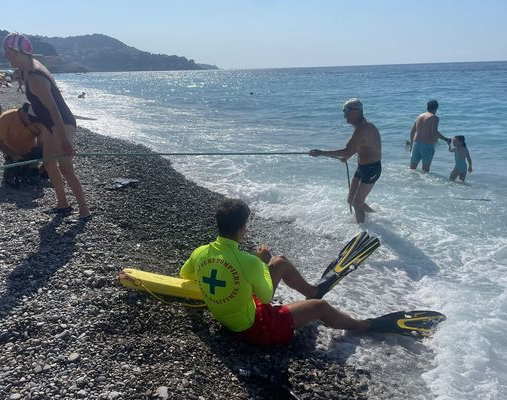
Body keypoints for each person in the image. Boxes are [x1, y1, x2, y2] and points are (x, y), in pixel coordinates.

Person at [180, 198, 406, 347]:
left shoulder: (200, 252)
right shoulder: (248, 262)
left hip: (236, 313)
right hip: (254, 329)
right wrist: (262, 263)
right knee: (320, 308)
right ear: (241, 229)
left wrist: (231, 280)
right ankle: (365, 325)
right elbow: (267, 298)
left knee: (280, 262)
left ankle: (313, 290)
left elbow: (185, 275)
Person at [3, 32, 90, 219]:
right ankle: (63, 204)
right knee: (50, 164)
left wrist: (65, 141)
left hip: (62, 123)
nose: (5, 56)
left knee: (66, 168)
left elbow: (54, 110)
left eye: (7, 52)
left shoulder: (35, 76)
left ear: (18, 52)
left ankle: (84, 210)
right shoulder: (26, 69)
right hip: (51, 124)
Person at [309, 98, 381, 224]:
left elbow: (347, 150)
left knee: (357, 203)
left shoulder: (363, 129)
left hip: (372, 169)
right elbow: (358, 147)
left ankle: (363, 233)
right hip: (362, 167)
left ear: (357, 112)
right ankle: (375, 216)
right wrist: (348, 156)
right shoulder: (360, 127)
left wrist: (321, 153)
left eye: (346, 111)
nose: (344, 115)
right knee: (351, 200)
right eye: (344, 111)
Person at [0, 103, 43, 186]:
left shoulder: (37, 121)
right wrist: (14, 155)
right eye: (30, 118)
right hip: (11, 153)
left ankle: (33, 169)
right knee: (13, 181)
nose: (32, 120)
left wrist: (36, 160)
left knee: (35, 181)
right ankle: (12, 168)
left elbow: (42, 141)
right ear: (22, 111)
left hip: (30, 153)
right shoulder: (7, 117)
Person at [408, 99, 452, 172]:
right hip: (427, 145)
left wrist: (411, 145)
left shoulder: (419, 116)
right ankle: (422, 184)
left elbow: (412, 132)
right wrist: (446, 139)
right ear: (436, 108)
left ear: (427, 107)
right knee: (425, 170)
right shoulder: (434, 118)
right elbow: (434, 133)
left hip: (416, 144)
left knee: (412, 169)